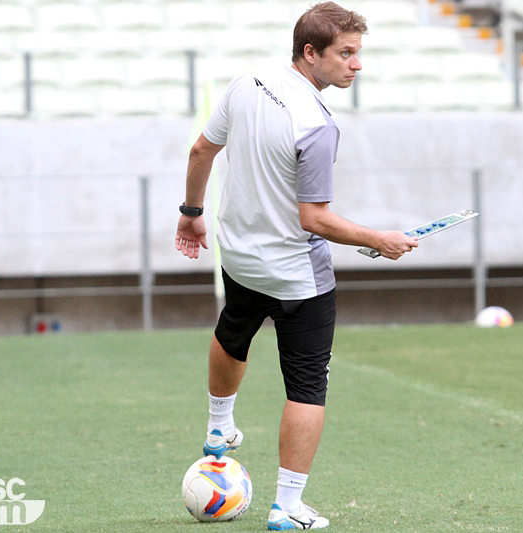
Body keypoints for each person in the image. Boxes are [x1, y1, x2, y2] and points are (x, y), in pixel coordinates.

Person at [175, 2, 418, 529]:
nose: (357, 65)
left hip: (239, 256)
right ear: (311, 53)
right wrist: (381, 239)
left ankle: (220, 428)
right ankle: (287, 507)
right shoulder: (318, 124)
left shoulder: (246, 82)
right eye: (346, 54)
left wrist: (191, 213)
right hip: (295, 274)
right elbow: (315, 220)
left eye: (359, 54)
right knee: (308, 385)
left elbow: (200, 151)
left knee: (233, 330)